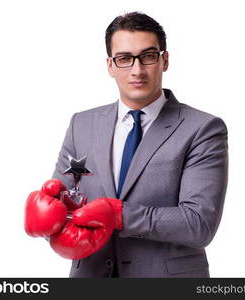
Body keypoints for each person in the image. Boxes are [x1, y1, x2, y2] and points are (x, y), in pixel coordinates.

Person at [25, 11, 228, 278]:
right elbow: (63, 205)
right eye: (124, 59)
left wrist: (118, 215)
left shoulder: (202, 128)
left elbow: (199, 224)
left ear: (164, 60)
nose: (137, 70)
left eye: (148, 56)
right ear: (110, 65)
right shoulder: (81, 124)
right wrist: (48, 221)